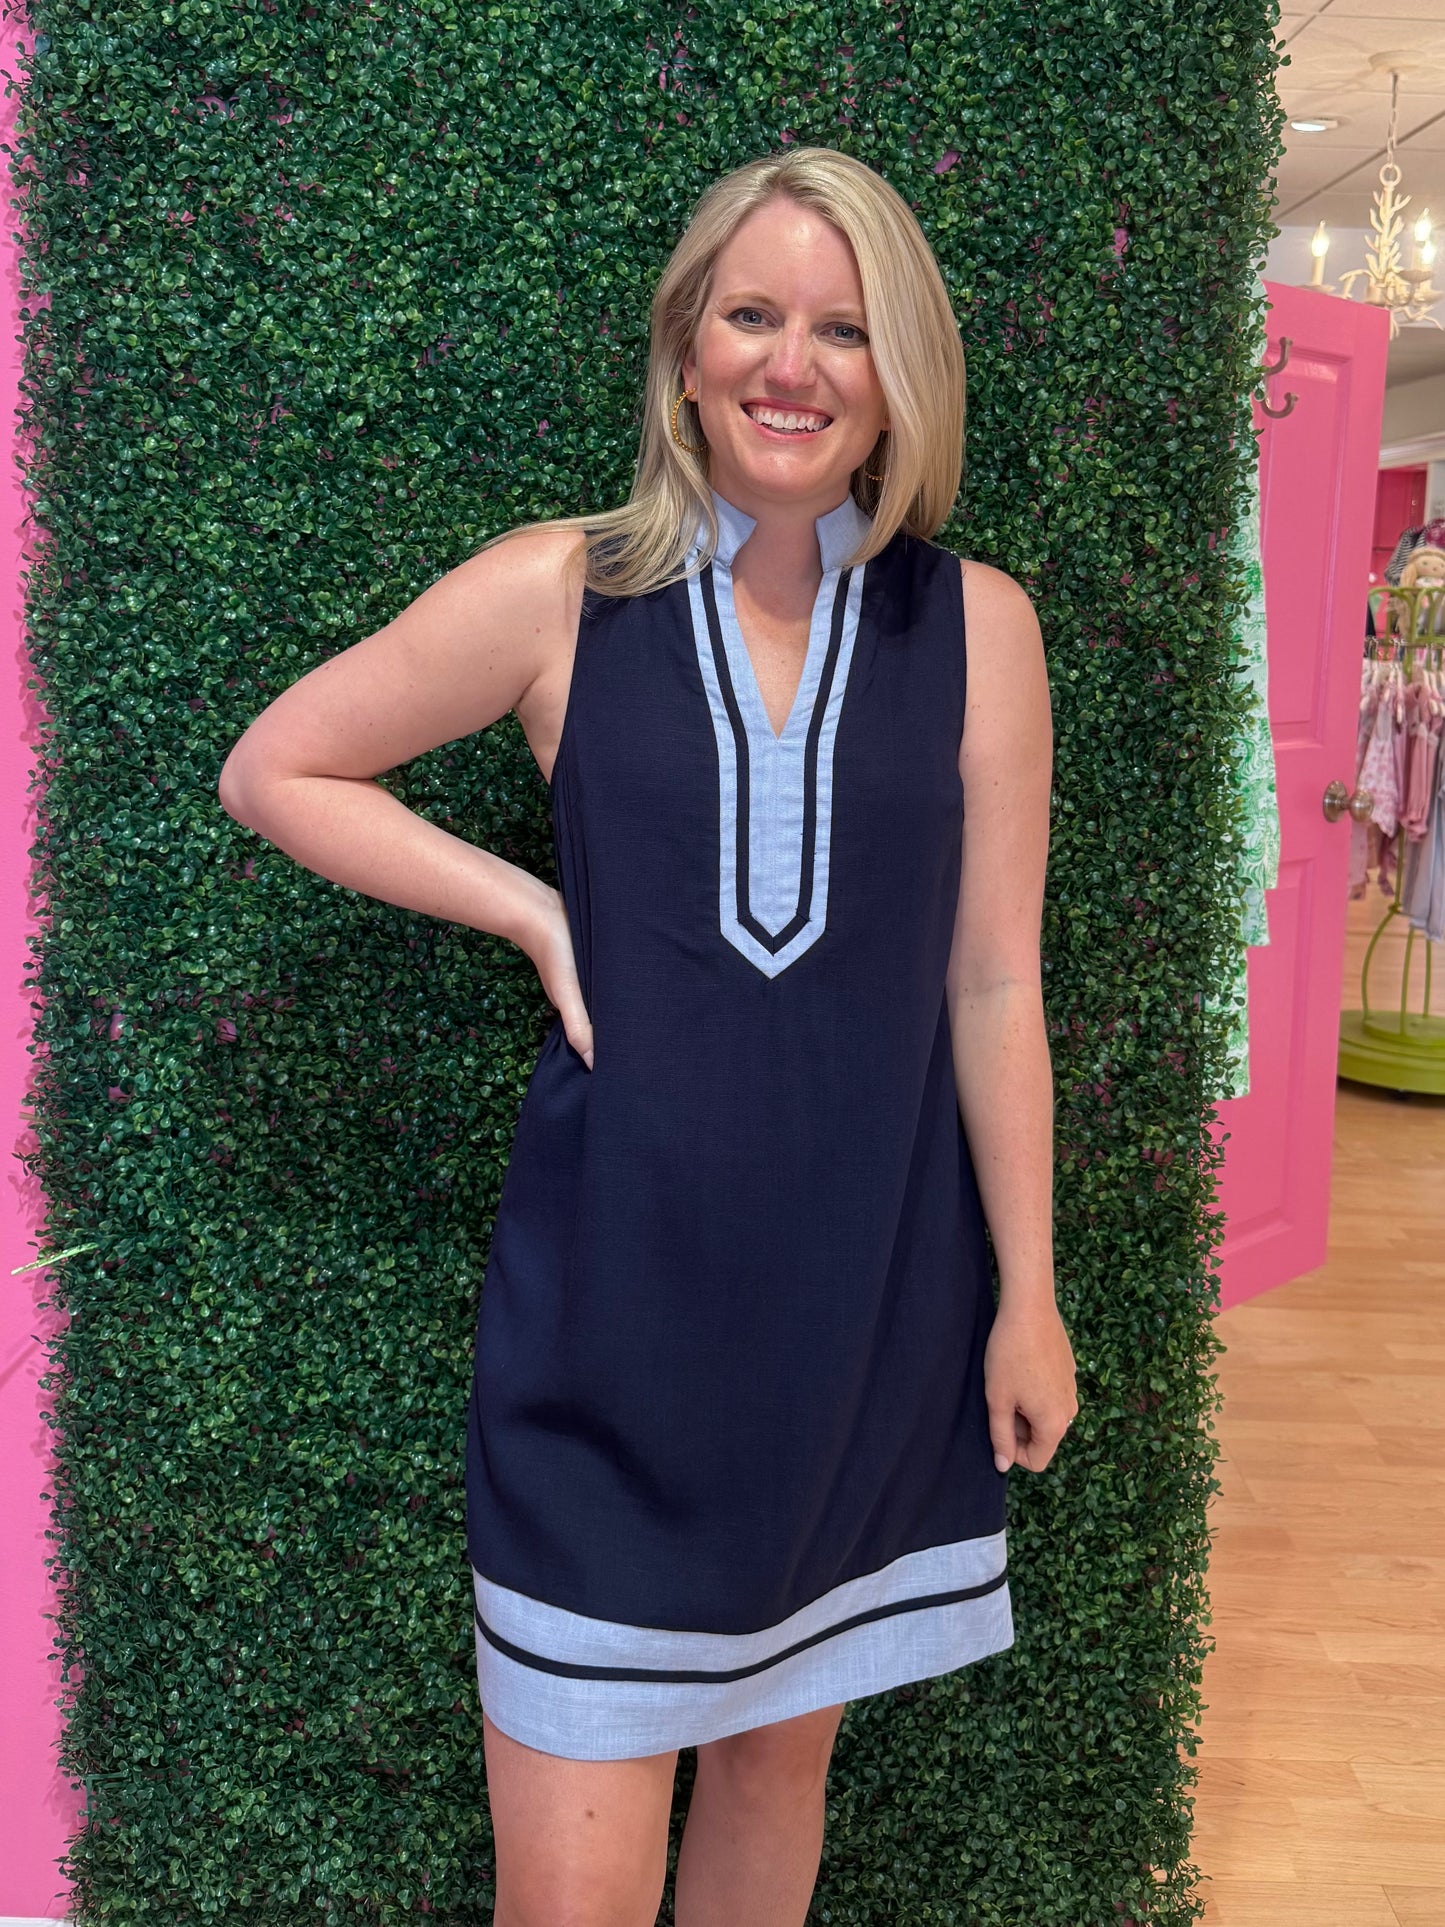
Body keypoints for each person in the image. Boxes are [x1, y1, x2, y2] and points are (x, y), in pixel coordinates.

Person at [219, 145, 1077, 1927]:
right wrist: (535, 911)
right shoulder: (562, 591)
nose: (793, 364)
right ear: (686, 347)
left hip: (865, 1334)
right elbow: (280, 767)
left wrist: (1030, 1294)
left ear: (900, 369)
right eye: (752, 314)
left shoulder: (976, 627)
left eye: (844, 327)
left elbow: (994, 980)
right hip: (608, 1342)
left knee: (772, 1795)